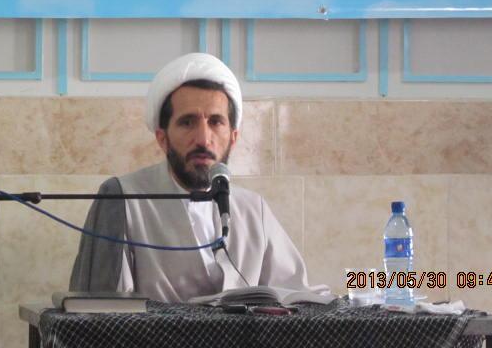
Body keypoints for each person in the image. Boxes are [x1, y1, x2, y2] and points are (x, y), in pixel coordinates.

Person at [70, 53, 326, 302]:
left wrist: (352, 284)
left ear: (233, 137)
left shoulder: (252, 209)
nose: (203, 139)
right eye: (187, 122)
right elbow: (101, 314)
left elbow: (299, 295)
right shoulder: (123, 198)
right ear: (163, 138)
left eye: (215, 122)